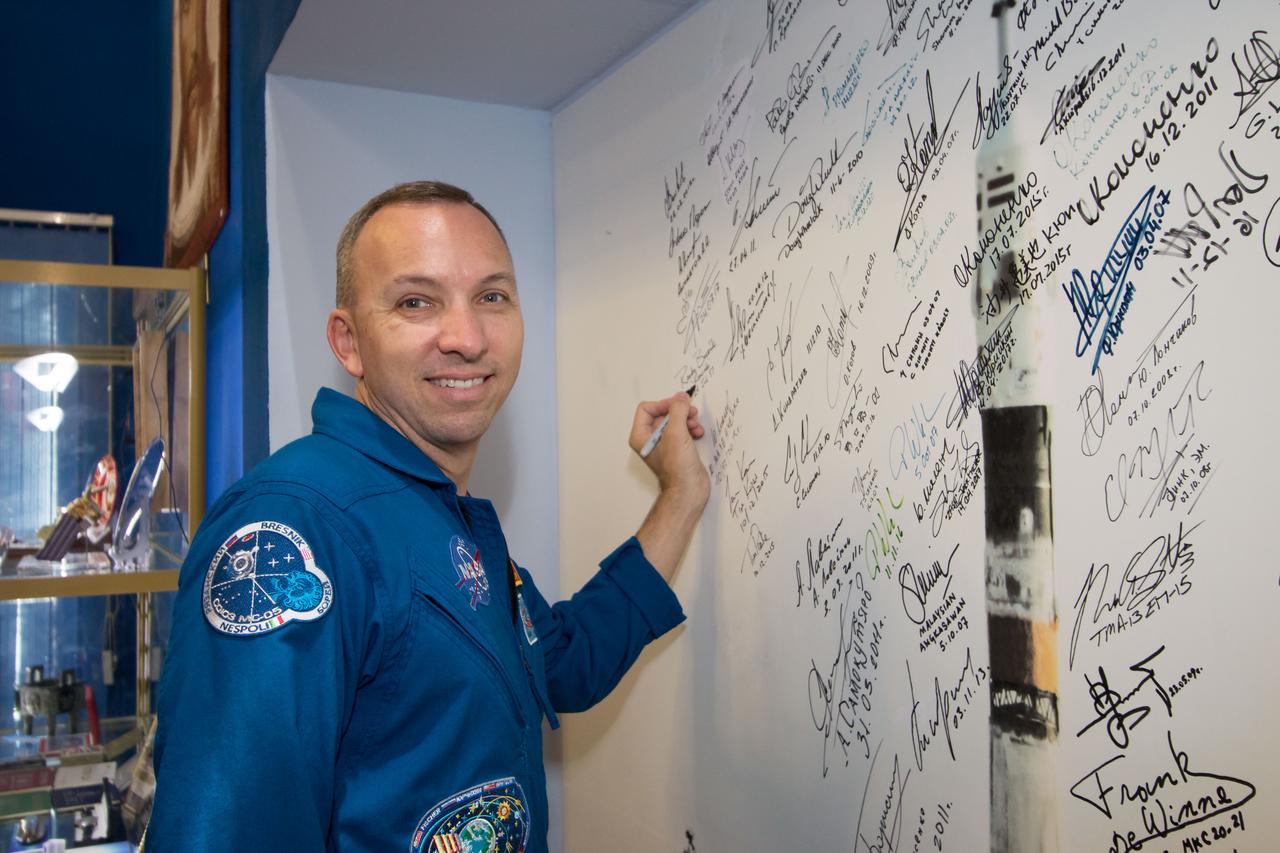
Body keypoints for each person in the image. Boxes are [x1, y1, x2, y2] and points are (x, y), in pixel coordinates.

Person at [147, 181, 710, 851]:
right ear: (349, 341)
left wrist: (680, 497)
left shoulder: (434, 516)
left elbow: (560, 661)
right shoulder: (301, 526)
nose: (467, 338)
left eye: (492, 297)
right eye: (417, 302)